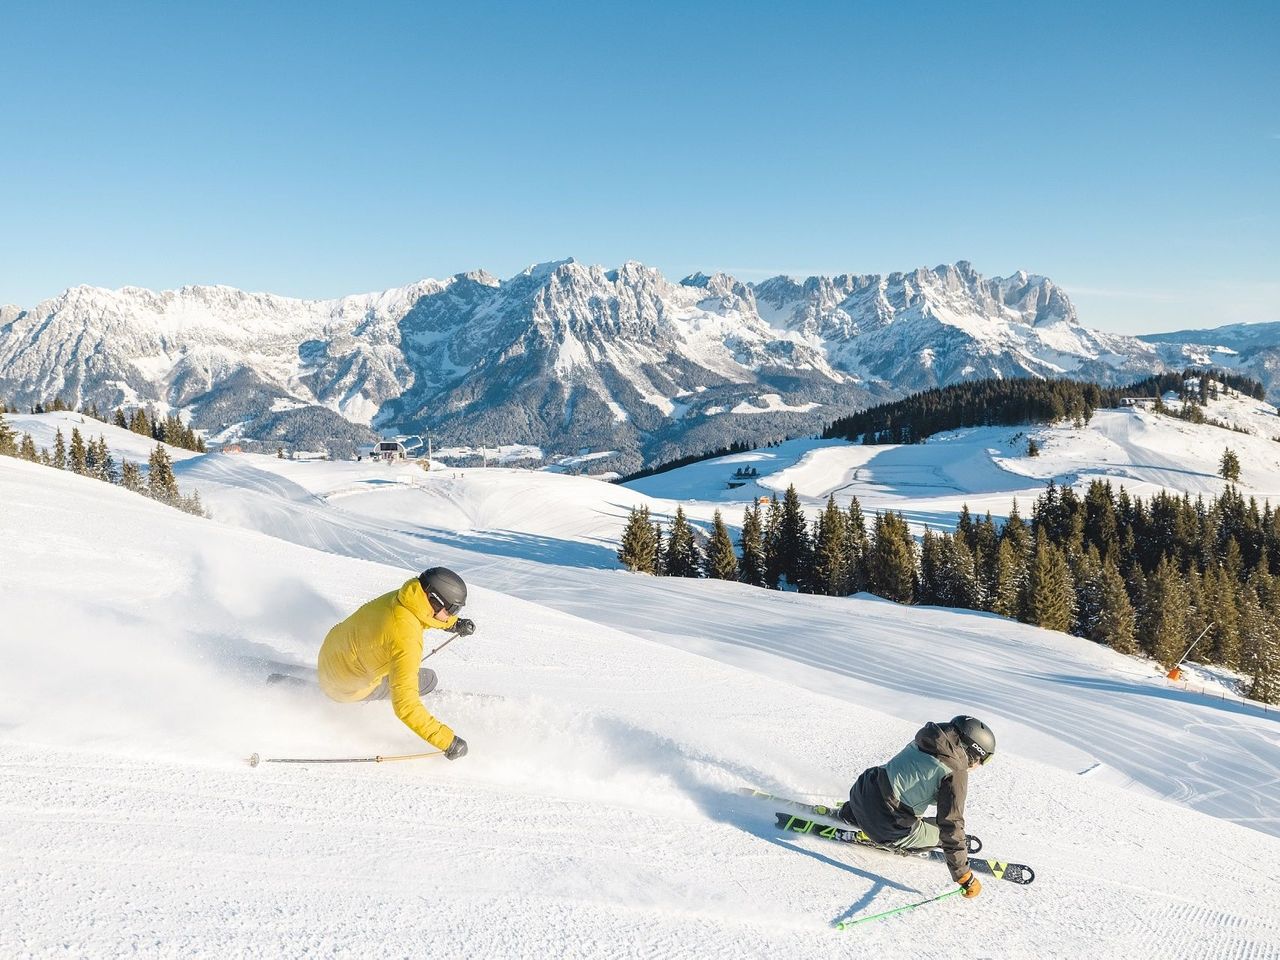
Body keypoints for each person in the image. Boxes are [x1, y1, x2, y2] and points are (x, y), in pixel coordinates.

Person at [318, 567, 476, 760]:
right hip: (345, 687)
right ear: (435, 600)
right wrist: (448, 741)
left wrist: (454, 624)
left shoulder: (402, 597)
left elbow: (423, 614)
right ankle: (341, 692)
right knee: (428, 679)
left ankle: (336, 679)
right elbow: (406, 706)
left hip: (331, 653)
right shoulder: (407, 639)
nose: (453, 614)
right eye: (453, 609)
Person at [837, 715, 996, 899]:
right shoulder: (956, 771)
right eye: (984, 761)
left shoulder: (928, 737)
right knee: (943, 833)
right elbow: (951, 823)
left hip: (861, 792)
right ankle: (892, 837)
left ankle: (852, 814)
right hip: (886, 825)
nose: (980, 766)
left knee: (894, 797)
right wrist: (964, 876)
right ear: (974, 752)